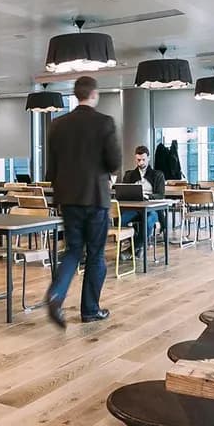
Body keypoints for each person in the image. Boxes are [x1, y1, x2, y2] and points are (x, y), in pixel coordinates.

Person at [42, 76, 121, 327]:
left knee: (73, 251)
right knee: (96, 255)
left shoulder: (57, 124)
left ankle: (56, 295)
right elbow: (114, 162)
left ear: (76, 95)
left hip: (68, 199)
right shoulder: (104, 122)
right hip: (96, 198)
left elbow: (51, 169)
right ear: (94, 94)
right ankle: (90, 310)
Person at [120, 145, 165, 255]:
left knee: (149, 222)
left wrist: (148, 196)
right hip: (135, 208)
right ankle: (138, 244)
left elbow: (160, 195)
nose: (141, 163)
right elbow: (124, 193)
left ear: (148, 158)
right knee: (121, 221)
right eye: (138, 160)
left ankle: (133, 248)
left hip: (152, 209)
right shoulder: (129, 175)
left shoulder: (157, 175)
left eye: (143, 159)